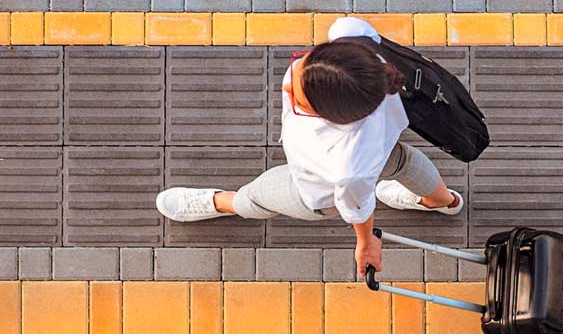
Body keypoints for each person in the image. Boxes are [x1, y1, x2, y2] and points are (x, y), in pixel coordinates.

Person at [156, 17, 463, 277]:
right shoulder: (354, 44)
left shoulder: (348, 170)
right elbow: (350, 29)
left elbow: (357, 206)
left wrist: (366, 242)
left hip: (317, 190)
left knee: (259, 195)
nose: (289, 84)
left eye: (299, 98)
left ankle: (222, 202)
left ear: (335, 116)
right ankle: (444, 202)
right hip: (383, 149)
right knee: (404, 162)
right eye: (304, 65)